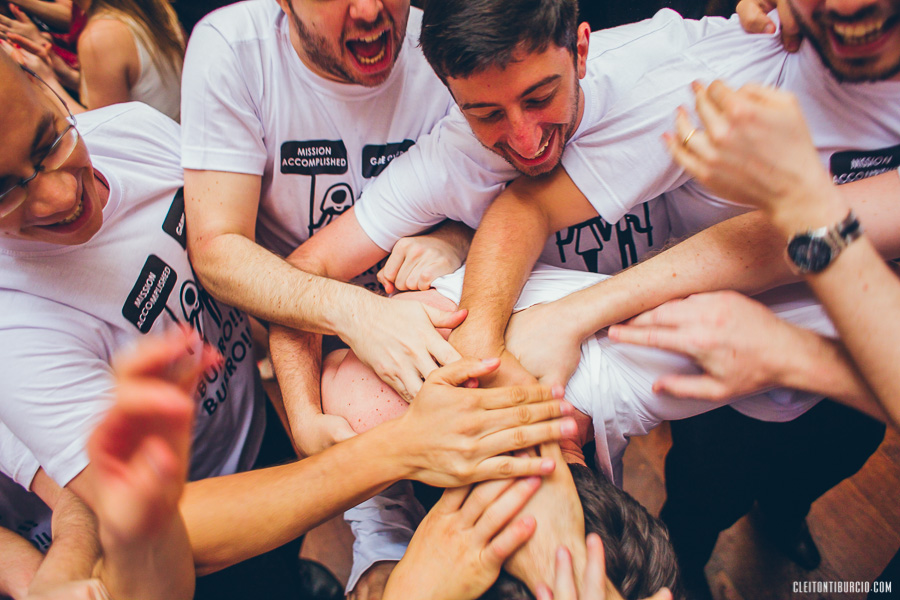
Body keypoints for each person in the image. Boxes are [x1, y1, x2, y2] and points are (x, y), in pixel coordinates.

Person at [0, 52, 573, 598]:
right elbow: (165, 525)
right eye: (3, 190)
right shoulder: (13, 328)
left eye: (50, 141)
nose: (59, 193)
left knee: (284, 571)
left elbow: (247, 266)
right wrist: (404, 446)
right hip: (193, 531)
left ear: (40, 81)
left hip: (252, 431)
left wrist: (440, 247)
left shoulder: (131, 131)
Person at [179, 0, 482, 458]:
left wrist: (456, 237)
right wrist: (358, 315)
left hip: (438, 315)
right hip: (304, 330)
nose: (369, 10)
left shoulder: (443, 45)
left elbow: (505, 183)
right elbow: (218, 250)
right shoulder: (235, 51)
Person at [78, 0, 184, 121]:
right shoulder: (146, 11)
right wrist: (68, 75)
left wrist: (57, 92)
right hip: (173, 128)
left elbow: (108, 126)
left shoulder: (100, 36)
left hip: (151, 131)